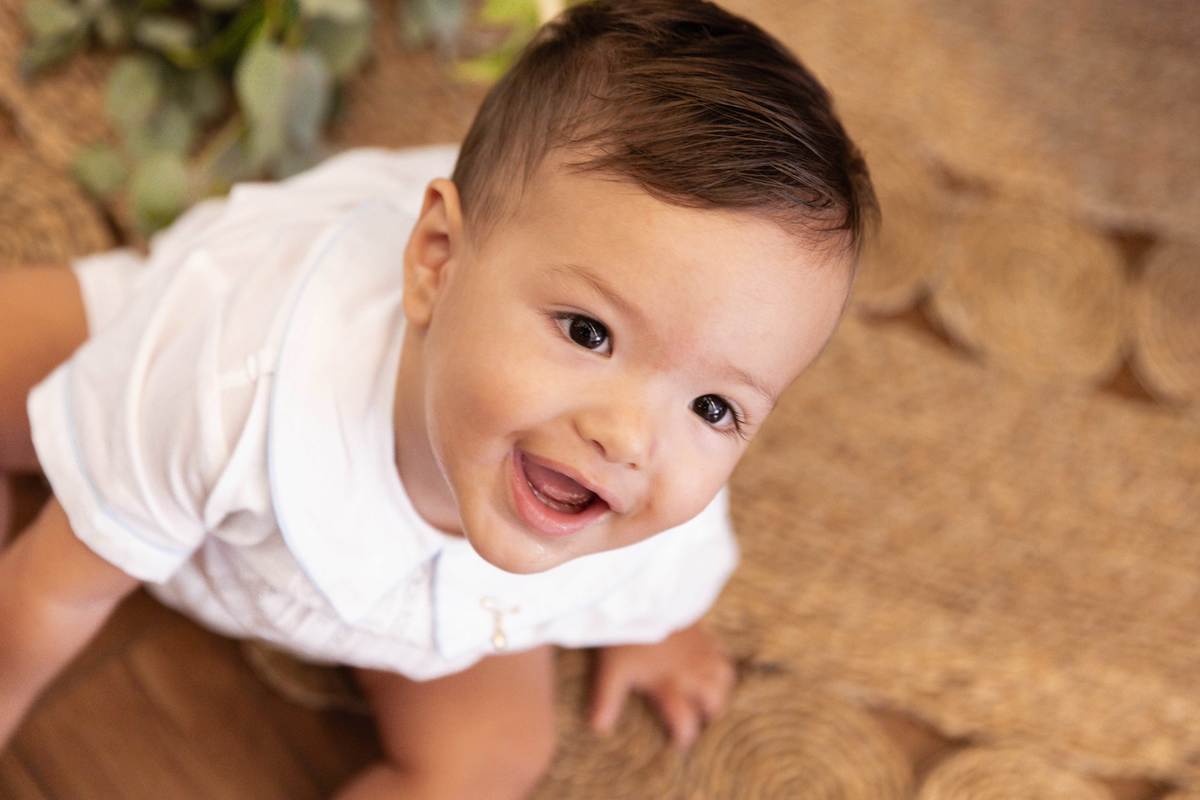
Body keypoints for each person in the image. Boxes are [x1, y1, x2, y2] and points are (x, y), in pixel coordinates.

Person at [0, 0, 877, 797]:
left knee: (495, 756)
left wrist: (655, 624)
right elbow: (55, 589)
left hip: (426, 602)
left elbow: (664, 571)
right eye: (588, 332)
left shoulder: (645, 509)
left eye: (714, 408)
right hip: (187, 388)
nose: (628, 438)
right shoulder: (232, 370)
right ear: (436, 264)